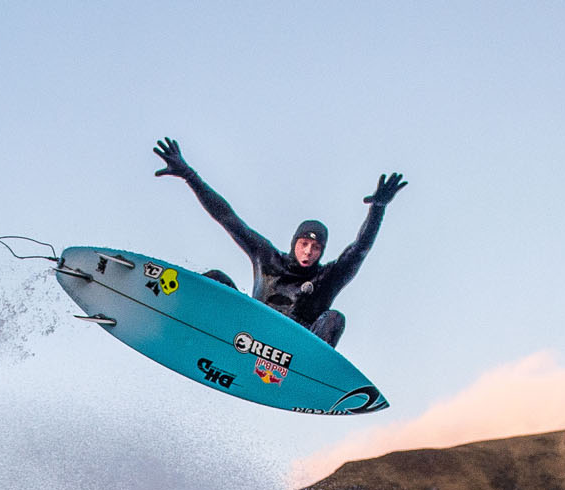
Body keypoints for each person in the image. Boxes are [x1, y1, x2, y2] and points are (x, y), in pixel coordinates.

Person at [152, 137, 404, 348]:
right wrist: (189, 175)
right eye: (304, 243)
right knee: (215, 278)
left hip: (291, 352)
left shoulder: (328, 278)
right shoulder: (267, 258)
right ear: (295, 242)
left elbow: (359, 249)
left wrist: (378, 209)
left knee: (334, 319)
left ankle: (311, 372)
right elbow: (227, 217)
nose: (309, 251)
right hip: (247, 333)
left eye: (316, 248)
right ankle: (183, 325)